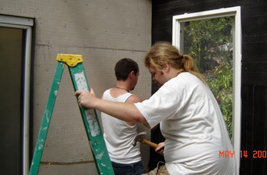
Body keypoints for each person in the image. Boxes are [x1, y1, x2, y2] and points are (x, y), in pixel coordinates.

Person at [76, 42, 236, 175]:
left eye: (154, 73)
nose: (154, 79)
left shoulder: (177, 84)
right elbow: (198, 125)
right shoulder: (193, 81)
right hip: (218, 161)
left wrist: (94, 102)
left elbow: (140, 115)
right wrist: (173, 144)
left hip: (198, 165)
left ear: (165, 67)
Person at [99, 58, 145, 175]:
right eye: (137, 76)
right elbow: (152, 124)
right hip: (129, 164)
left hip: (109, 160)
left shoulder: (105, 94)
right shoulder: (133, 100)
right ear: (132, 74)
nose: (137, 80)